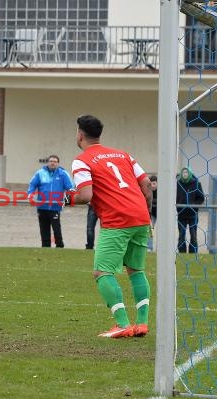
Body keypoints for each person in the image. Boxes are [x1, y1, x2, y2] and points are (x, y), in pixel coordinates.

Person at [69, 115, 152, 339]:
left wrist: (65, 199)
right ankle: (142, 323)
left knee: (102, 271)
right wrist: (146, 211)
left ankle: (123, 324)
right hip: (141, 217)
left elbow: (86, 195)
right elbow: (146, 184)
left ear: (80, 134)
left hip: (117, 220)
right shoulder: (123, 154)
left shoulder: (82, 160)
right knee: (136, 270)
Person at [27, 155, 74, 248]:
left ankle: (59, 245)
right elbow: (32, 184)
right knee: (44, 229)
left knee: (56, 229)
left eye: (55, 161)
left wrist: (68, 200)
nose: (53, 163)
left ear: (58, 163)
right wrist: (30, 194)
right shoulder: (40, 173)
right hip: (42, 206)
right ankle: (45, 247)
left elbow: (70, 188)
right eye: (51, 161)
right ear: (48, 162)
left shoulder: (63, 174)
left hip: (55, 207)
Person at [177, 167, 204, 253]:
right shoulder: (178, 184)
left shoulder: (196, 184)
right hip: (181, 214)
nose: (185, 174)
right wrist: (178, 206)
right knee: (182, 234)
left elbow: (201, 198)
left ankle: (193, 252)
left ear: (190, 174)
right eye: (183, 172)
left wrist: (194, 206)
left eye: (186, 172)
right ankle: (182, 252)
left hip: (193, 214)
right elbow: (174, 196)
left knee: (193, 234)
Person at [147, 175, 158, 251]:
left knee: (163, 232)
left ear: (157, 183)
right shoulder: (147, 191)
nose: (153, 186)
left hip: (161, 215)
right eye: (151, 184)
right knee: (150, 230)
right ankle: (149, 248)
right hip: (152, 215)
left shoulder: (162, 191)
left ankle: (161, 249)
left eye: (154, 183)